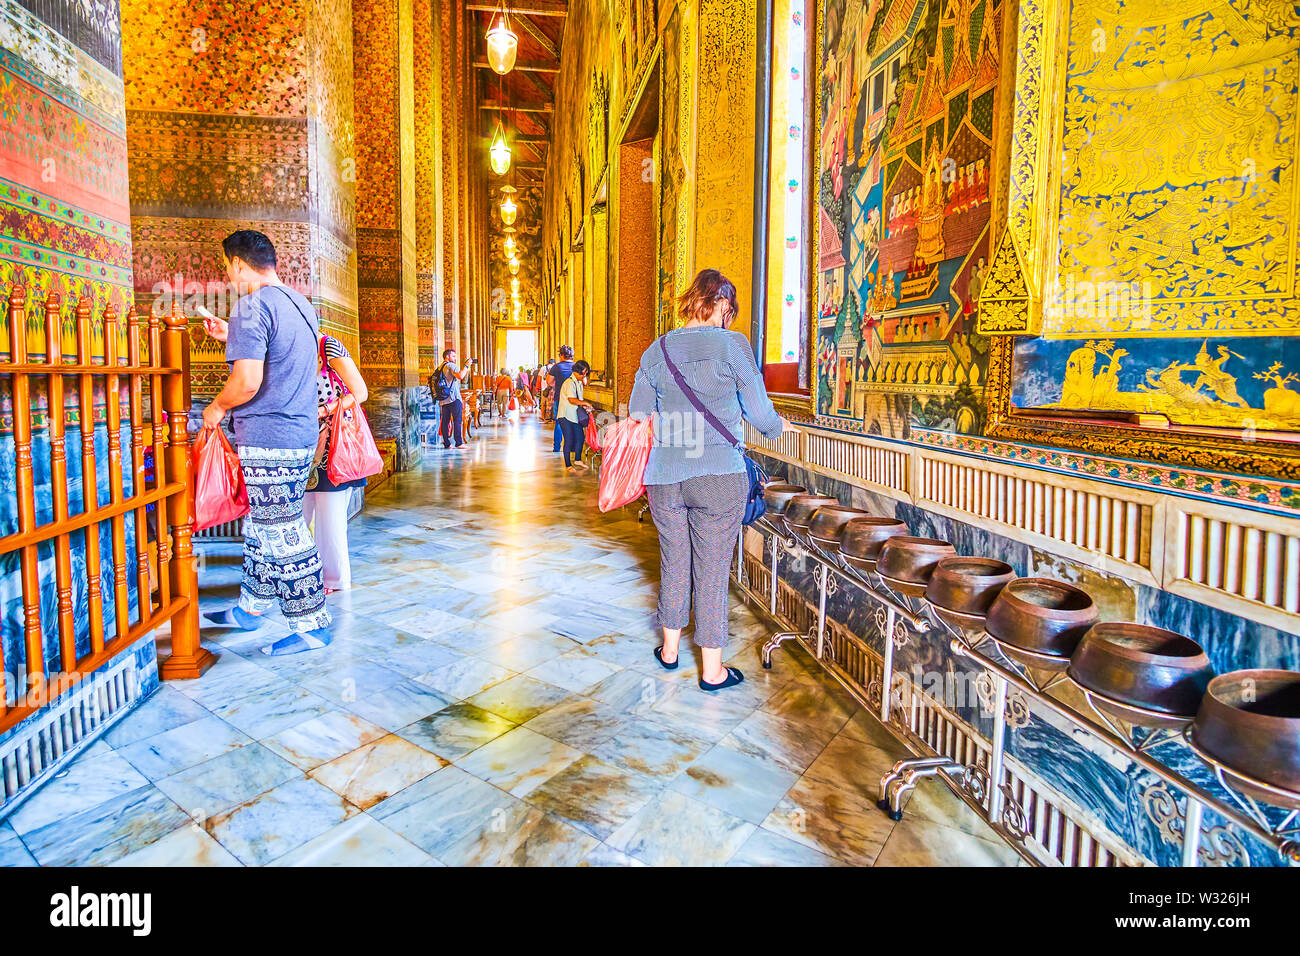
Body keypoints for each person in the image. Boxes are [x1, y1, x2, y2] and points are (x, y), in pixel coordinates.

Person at [629, 268, 793, 691]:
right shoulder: (733, 347)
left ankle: (668, 651)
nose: (729, 317)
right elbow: (759, 415)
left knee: (674, 560)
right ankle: (712, 670)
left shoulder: (657, 350)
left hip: (665, 476)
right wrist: (780, 430)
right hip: (719, 474)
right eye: (730, 309)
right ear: (721, 303)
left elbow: (638, 412)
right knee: (713, 571)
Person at [198, 229, 332, 656]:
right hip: (298, 430)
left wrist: (216, 408)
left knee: (282, 527)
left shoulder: (250, 305)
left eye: (227, 268)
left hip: (270, 437)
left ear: (238, 263)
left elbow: (248, 381)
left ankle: (312, 623)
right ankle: (250, 609)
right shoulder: (300, 304)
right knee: (262, 525)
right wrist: (230, 335)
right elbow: (286, 358)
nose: (229, 276)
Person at [304, 331, 369, 593]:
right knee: (298, 514)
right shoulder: (290, 347)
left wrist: (323, 411)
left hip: (333, 443)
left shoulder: (328, 347)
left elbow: (360, 392)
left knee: (330, 517)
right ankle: (300, 573)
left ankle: (332, 578)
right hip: (302, 442)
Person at [431, 348, 474, 448]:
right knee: (457, 420)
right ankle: (459, 443)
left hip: (443, 398)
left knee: (445, 421)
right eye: (453, 356)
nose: (455, 358)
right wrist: (466, 366)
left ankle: (447, 443)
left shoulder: (440, 367)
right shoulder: (451, 365)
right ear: (447, 356)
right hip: (453, 398)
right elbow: (460, 376)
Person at [556, 359, 594, 473]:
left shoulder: (578, 382)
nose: (584, 376)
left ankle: (577, 460)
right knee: (569, 439)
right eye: (583, 373)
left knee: (580, 437)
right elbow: (572, 399)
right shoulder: (569, 383)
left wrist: (584, 406)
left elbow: (579, 399)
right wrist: (585, 403)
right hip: (565, 415)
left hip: (574, 415)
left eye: (586, 373)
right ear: (576, 372)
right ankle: (568, 465)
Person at [547, 346, 575, 452]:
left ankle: (557, 447)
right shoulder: (576, 366)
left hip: (560, 398)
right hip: (573, 399)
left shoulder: (557, 367)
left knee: (559, 422)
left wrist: (557, 385)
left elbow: (549, 381)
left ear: (561, 355)